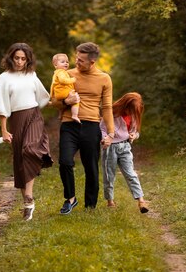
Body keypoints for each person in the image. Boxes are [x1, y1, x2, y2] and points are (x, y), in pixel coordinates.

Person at [51, 42, 114, 213]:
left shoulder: (104, 78)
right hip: (69, 124)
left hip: (91, 125)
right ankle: (70, 199)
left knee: (91, 167)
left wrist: (110, 133)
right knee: (65, 161)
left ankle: (90, 206)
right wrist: (65, 102)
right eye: (76, 59)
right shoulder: (66, 75)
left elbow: (107, 108)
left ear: (92, 62)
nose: (76, 63)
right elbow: (54, 101)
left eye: (81, 61)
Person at [0, 42, 53, 221]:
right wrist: (4, 130)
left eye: (23, 59)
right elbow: (2, 105)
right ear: (11, 58)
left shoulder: (31, 75)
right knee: (20, 158)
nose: (20, 62)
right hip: (16, 119)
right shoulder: (4, 78)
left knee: (30, 150)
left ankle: (29, 194)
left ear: (28, 60)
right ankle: (28, 204)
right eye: (16, 58)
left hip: (34, 115)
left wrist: (66, 100)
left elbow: (44, 97)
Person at [100, 92, 149, 213]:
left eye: (133, 110)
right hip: (110, 147)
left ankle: (141, 201)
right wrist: (104, 138)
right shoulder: (112, 113)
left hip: (125, 147)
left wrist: (134, 135)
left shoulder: (133, 115)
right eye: (129, 109)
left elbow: (135, 132)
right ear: (124, 105)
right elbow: (102, 128)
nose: (130, 112)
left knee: (131, 173)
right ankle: (110, 201)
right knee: (109, 175)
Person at [50, 53, 80, 123]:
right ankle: (75, 115)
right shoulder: (61, 72)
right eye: (62, 62)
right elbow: (63, 80)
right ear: (55, 65)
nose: (66, 63)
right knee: (76, 100)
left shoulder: (56, 73)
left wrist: (52, 95)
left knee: (63, 104)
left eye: (67, 62)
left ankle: (60, 114)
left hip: (58, 94)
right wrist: (73, 79)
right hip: (64, 92)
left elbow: (53, 85)